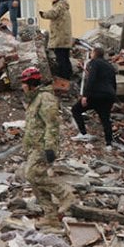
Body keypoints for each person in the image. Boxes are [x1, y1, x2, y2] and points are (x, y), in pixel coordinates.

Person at [20, 67, 75, 230]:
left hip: (42, 146)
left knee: (31, 174)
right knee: (35, 180)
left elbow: (52, 124)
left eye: (24, 83)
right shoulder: (34, 98)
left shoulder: (45, 98)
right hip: (34, 146)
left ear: (30, 83)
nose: (22, 87)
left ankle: (65, 194)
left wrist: (50, 147)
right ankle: (50, 216)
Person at [71, 46, 117, 146]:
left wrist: (85, 96)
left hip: (96, 94)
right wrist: (113, 100)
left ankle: (83, 133)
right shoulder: (109, 66)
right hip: (109, 96)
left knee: (75, 109)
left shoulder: (94, 62)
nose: (91, 55)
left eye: (91, 53)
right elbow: (113, 83)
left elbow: (91, 79)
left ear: (94, 54)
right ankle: (109, 143)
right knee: (105, 119)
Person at [39, 0, 73, 80]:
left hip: (59, 37)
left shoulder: (59, 6)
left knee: (60, 58)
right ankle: (68, 75)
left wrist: (43, 14)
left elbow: (53, 13)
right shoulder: (64, 7)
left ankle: (63, 76)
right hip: (65, 38)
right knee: (65, 58)